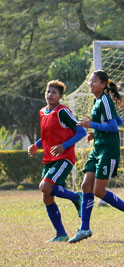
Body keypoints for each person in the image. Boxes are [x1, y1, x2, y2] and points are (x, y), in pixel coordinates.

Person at [69, 70, 124, 243]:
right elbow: (118, 121)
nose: (90, 84)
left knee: (98, 191)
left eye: (94, 81)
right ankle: (84, 228)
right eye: (90, 81)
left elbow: (114, 127)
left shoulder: (105, 100)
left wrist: (92, 124)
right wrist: (96, 131)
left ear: (103, 84)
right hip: (98, 149)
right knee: (86, 185)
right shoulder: (98, 100)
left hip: (108, 150)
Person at [29, 80, 87, 242]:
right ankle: (61, 234)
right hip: (49, 159)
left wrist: (64, 146)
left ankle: (76, 197)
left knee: (44, 187)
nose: (50, 95)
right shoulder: (42, 112)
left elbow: (81, 131)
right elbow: (47, 136)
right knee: (47, 196)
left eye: (54, 92)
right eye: (48, 91)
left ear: (60, 96)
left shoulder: (63, 111)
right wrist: (36, 145)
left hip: (64, 158)